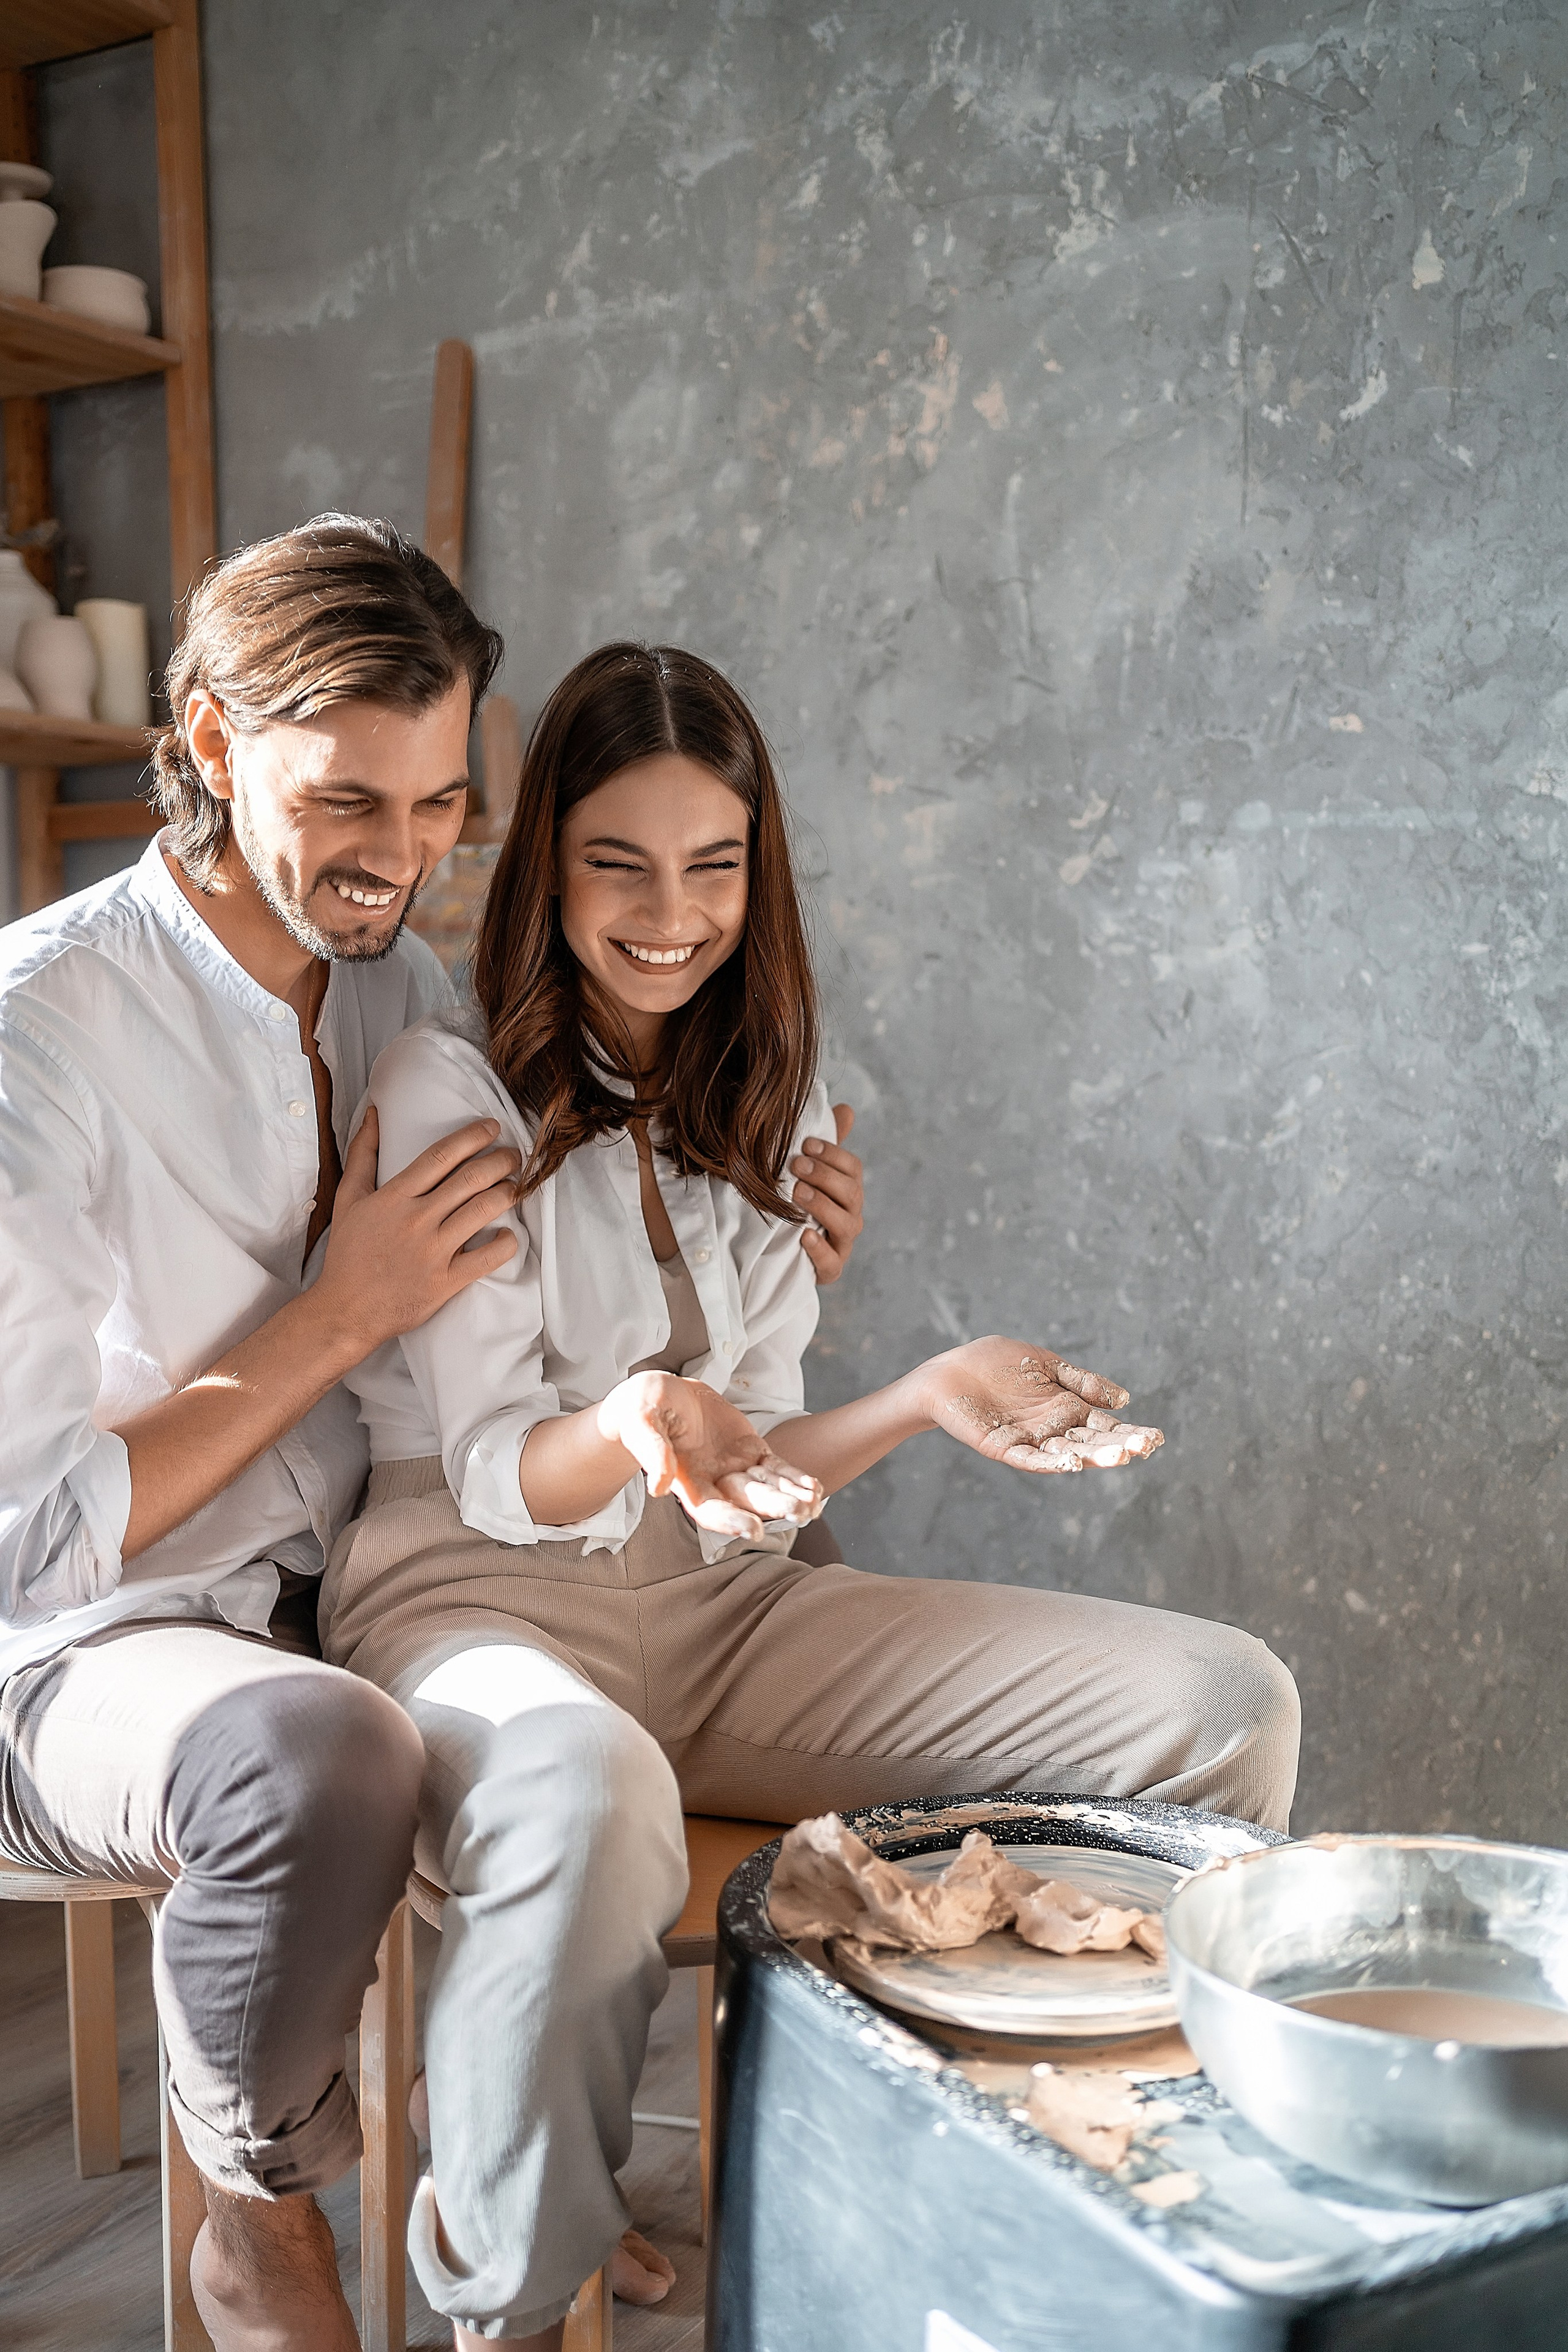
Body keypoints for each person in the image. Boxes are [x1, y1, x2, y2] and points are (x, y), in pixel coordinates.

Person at [322, 641, 1301, 2350]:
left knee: (1222, 1706)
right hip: (476, 1596)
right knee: (582, 1791)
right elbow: (495, 1466)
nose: (669, 912)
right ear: (543, 857)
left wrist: (919, 1399)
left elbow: (747, 1477)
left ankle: (1085, 2196)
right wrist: (635, 1414)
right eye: (618, 860)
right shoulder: (444, 1089)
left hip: (728, 1613)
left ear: (758, 873)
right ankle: (508, 2284)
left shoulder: (770, 1101)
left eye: (713, 864)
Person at [0, 516, 869, 2352]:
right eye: (345, 804)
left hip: (358, 1594)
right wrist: (342, 1309)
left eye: (438, 806)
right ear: (215, 742)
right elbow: (25, 1534)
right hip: (89, 1646)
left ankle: (507, 2155)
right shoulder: (44, 1033)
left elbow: (575, 1212)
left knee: (617, 1675)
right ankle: (262, 2207)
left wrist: (766, 1197)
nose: (397, 860)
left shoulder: (401, 992)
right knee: (318, 1760)